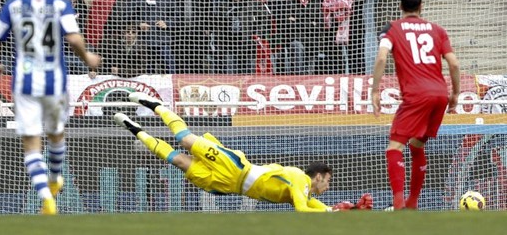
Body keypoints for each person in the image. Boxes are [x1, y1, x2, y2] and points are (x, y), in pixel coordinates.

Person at [115, 92, 374, 212]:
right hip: (236, 167)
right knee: (184, 139)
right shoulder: (298, 178)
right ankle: (157, 106)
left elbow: (311, 204)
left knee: (178, 161)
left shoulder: (305, 190)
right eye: (328, 180)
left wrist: (335, 211)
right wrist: (332, 214)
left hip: (229, 185)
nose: (328, 186)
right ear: (318, 176)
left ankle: (136, 130)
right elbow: (303, 209)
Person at [0, 0, 101, 215]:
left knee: (31, 143)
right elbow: (73, 38)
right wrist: (88, 57)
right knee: (56, 134)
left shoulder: (13, 5)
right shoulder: (60, 4)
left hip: (24, 83)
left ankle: (46, 198)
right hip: (55, 82)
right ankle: (55, 177)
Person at [371, 0, 461, 210]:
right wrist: (455, 93)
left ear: (400, 6)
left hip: (416, 95)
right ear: (422, 6)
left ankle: (399, 202)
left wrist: (375, 91)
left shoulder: (391, 28)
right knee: (417, 145)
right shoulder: (437, 30)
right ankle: (412, 203)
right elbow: (454, 64)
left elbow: (382, 57)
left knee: (394, 147)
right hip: (439, 94)